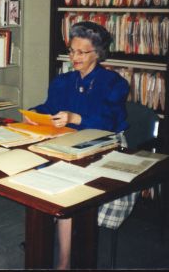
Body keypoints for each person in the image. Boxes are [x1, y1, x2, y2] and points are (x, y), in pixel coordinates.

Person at [26, 21, 135, 269]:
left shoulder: (114, 83)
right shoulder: (63, 81)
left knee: (67, 188)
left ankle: (63, 260)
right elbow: (50, 108)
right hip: (67, 141)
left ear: (98, 53)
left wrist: (76, 118)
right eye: (71, 50)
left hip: (105, 143)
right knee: (35, 172)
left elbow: (108, 122)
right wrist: (34, 113)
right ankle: (45, 234)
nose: (74, 57)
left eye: (81, 52)